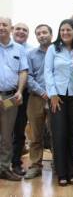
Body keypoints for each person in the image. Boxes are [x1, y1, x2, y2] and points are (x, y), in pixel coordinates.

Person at [44, 19, 73, 186]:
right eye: (62, 30)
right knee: (59, 134)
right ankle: (61, 173)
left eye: (68, 30)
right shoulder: (53, 49)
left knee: (72, 134)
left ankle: (70, 172)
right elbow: (48, 72)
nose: (65, 33)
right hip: (58, 98)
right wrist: (52, 94)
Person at [0, 17, 28, 181]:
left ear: (11, 28)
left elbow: (23, 71)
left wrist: (19, 91)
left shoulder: (19, 49)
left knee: (7, 135)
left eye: (4, 24)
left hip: (11, 98)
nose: (1, 27)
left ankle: (3, 168)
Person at [24, 24, 53, 179]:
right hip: (36, 98)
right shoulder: (30, 54)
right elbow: (27, 77)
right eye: (39, 33)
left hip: (56, 98)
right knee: (36, 134)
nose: (42, 35)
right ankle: (35, 165)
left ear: (51, 34)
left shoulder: (58, 52)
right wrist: (42, 92)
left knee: (56, 133)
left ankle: (58, 163)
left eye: (45, 32)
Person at [11, 22, 33, 176]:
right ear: (12, 30)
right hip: (4, 94)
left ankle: (16, 162)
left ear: (28, 34)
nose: (21, 32)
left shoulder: (31, 51)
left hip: (22, 95)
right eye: (18, 28)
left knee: (19, 129)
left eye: (24, 30)